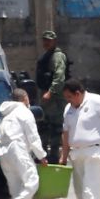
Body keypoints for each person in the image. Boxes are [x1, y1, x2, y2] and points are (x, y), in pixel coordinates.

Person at [0, 88, 48, 199]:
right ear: (25, 99)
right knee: (32, 182)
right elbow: (33, 136)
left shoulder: (6, 115)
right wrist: (42, 155)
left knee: (16, 187)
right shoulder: (24, 112)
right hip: (17, 149)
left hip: (3, 152)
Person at [36, 30, 68, 164]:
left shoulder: (57, 56)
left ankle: (54, 155)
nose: (46, 43)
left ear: (54, 41)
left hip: (55, 98)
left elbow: (59, 77)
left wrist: (51, 92)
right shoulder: (47, 55)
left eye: (49, 40)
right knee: (43, 125)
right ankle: (43, 154)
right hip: (47, 97)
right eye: (44, 40)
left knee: (55, 127)